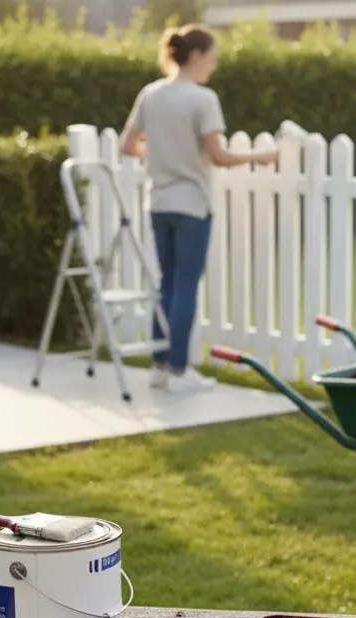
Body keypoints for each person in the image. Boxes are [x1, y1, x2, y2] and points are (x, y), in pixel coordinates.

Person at [120, 24, 278, 394]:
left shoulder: (151, 94)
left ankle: (160, 366)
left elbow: (128, 145)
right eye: (212, 58)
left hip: (158, 203)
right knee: (186, 287)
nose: (214, 65)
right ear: (195, 55)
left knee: (166, 284)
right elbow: (218, 156)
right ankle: (180, 370)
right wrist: (260, 156)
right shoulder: (202, 99)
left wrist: (161, 155)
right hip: (192, 204)